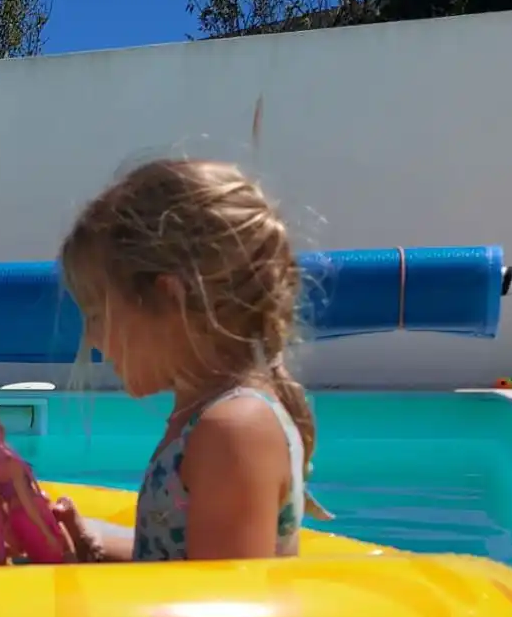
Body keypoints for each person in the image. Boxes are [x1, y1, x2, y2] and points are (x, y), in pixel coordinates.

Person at [48, 157, 331, 563]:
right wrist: (89, 543)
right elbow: (175, 560)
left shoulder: (233, 430)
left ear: (168, 299)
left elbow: (223, 597)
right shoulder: (209, 419)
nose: (92, 339)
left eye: (97, 315)